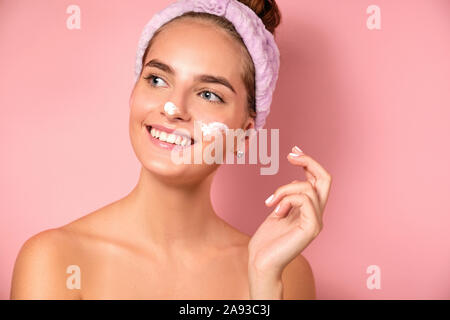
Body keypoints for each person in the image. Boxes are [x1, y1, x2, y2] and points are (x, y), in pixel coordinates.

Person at [10, 0, 332, 299]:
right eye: (157, 79)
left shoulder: (286, 273)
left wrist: (263, 284)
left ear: (244, 135)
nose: (173, 107)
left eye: (208, 94)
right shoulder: (54, 259)